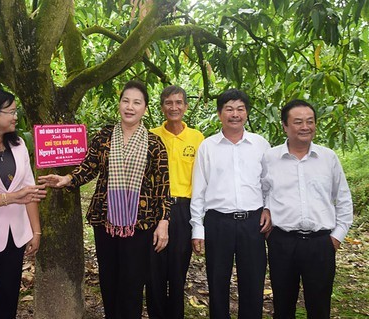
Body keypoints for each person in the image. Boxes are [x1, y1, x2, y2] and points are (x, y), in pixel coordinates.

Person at [39, 80, 170, 319]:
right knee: (109, 281)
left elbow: (163, 186)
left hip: (140, 224)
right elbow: (89, 167)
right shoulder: (104, 136)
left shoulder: (154, 143)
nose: (130, 107)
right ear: (119, 104)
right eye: (126, 101)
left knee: (132, 284)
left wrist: (163, 222)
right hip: (105, 219)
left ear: (145, 109)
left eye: (137, 103)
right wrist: (67, 179)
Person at [261, 99, 353, 319]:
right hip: (282, 242)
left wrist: (336, 237)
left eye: (310, 122)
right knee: (283, 306)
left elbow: (343, 199)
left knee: (319, 307)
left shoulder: (328, 157)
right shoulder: (270, 158)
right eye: (298, 122)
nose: (305, 127)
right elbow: (262, 192)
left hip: (321, 243)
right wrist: (266, 211)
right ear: (285, 126)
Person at [190, 88, 271, 319]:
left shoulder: (260, 144)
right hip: (218, 222)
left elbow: (269, 184)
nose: (235, 114)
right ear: (219, 114)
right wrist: (198, 227)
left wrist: (268, 209)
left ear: (246, 113)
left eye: (240, 109)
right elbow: (199, 189)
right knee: (217, 281)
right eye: (229, 109)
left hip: (252, 222)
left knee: (253, 281)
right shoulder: (208, 146)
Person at [0, 89, 46, 318]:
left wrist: (35, 231)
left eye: (16, 111)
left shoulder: (18, 145)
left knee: (8, 297)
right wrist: (11, 198)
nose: (16, 116)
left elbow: (29, 189)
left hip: (16, 235)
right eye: (11, 112)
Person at [146, 85, 204, 318]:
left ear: (186, 106)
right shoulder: (151, 135)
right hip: (154, 207)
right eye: (169, 103)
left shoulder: (197, 138)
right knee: (154, 269)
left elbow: (202, 179)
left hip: (184, 208)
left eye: (178, 103)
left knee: (178, 269)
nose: (174, 107)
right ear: (162, 107)